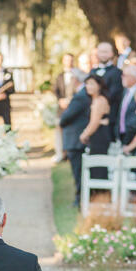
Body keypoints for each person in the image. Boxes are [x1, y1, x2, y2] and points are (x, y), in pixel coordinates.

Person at [58, 69, 90, 207]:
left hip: (75, 139)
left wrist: (61, 121)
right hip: (76, 139)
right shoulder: (82, 94)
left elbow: (67, 116)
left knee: (78, 172)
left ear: (75, 80)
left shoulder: (80, 96)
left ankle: (79, 200)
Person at [89, 42, 123, 137]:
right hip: (92, 115)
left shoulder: (117, 72)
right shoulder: (92, 71)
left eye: (106, 52)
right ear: (97, 53)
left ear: (112, 53)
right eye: (101, 52)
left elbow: (113, 93)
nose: (103, 54)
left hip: (109, 117)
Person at [79, 73, 111, 154]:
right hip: (96, 135)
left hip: (100, 136)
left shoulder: (99, 100)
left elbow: (95, 122)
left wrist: (84, 135)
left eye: (92, 84)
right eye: (87, 84)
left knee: (97, 162)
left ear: (99, 86)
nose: (88, 86)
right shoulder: (94, 99)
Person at [53, 52, 76, 161]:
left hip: (74, 107)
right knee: (59, 129)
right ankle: (60, 153)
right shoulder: (59, 76)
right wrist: (60, 101)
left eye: (70, 60)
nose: (69, 62)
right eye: (66, 60)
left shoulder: (77, 75)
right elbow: (56, 91)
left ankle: (70, 153)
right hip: (61, 108)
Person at [117, 64, 136, 144]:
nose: (122, 77)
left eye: (124, 75)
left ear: (133, 77)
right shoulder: (125, 91)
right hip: (122, 134)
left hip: (134, 136)